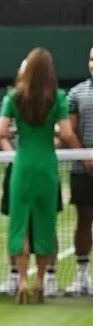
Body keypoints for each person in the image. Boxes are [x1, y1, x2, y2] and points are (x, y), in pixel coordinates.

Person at [0, 48, 81, 304]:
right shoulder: (58, 97)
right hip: (46, 163)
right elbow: (66, 133)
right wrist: (50, 134)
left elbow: (1, 131)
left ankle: (21, 280)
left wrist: (18, 132)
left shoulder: (14, 97)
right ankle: (40, 282)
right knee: (45, 222)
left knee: (19, 222)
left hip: (23, 163)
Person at [64, 47, 93, 296]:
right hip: (82, 169)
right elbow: (69, 130)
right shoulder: (76, 93)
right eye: (92, 59)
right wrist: (84, 156)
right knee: (83, 221)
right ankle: (82, 276)